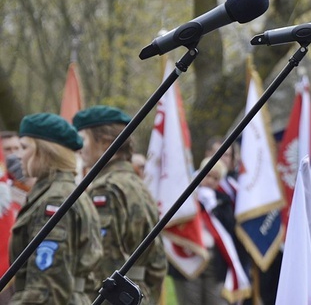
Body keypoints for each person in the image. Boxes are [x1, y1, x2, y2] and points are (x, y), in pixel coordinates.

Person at [73, 105, 167, 304]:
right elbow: (157, 263)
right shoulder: (137, 184)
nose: (79, 148)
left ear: (106, 143)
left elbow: (102, 262)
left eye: (84, 139)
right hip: (136, 294)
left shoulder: (106, 189)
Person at [10, 113, 102, 304]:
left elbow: (46, 290)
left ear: (45, 151)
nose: (18, 155)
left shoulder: (55, 200)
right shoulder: (64, 192)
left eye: (24, 147)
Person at [171, 158, 252, 305]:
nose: (210, 181)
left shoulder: (224, 200)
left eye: (215, 178)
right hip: (190, 256)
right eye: (208, 175)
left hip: (215, 263)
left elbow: (230, 227)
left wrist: (214, 208)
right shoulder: (188, 197)